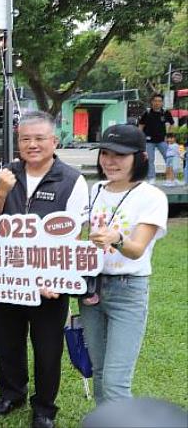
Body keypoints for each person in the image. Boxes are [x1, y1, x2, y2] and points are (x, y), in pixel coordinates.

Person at [0, 111, 89, 428]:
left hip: (48, 282)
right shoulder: (7, 173)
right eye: (25, 139)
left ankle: (44, 407)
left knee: (47, 348)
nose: (32, 145)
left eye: (39, 138)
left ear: (54, 141)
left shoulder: (71, 179)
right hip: (10, 275)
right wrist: (1, 190)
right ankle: (11, 394)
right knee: (7, 341)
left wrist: (53, 275)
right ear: (18, 142)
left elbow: (74, 234)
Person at [80, 124, 168, 403]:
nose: (110, 161)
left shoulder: (152, 197)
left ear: (140, 158)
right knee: (100, 372)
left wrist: (117, 237)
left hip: (127, 291)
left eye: (120, 155)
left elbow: (137, 249)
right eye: (105, 153)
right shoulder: (95, 190)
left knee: (117, 383)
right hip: (91, 290)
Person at [137, 93, 173, 184]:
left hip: (162, 141)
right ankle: (151, 179)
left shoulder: (165, 113)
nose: (157, 103)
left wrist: (168, 136)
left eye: (159, 101)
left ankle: (170, 179)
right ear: (152, 102)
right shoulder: (147, 112)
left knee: (169, 158)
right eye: (155, 101)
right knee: (150, 160)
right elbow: (141, 126)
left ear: (162, 103)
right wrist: (140, 138)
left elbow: (171, 124)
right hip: (149, 141)